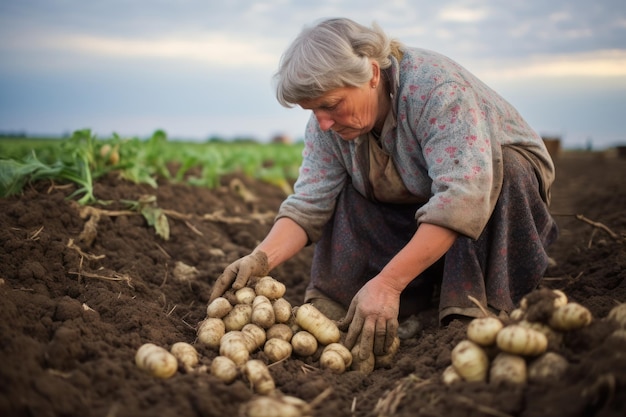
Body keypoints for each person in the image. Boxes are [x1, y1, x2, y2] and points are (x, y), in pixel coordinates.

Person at [209, 18, 558, 359]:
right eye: (313, 110)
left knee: (508, 169)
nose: (323, 122)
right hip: (414, 208)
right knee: (345, 188)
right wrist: (261, 258)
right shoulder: (327, 125)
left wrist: (389, 283)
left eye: (331, 105)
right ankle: (367, 300)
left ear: (372, 74)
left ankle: (474, 305)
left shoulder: (437, 91)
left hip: (493, 212)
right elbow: (310, 201)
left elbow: (460, 199)